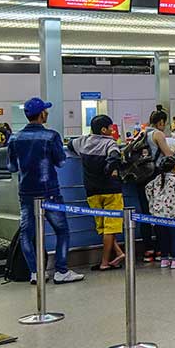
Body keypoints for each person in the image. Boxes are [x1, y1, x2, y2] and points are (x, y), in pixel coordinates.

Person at [7, 98, 84, 284]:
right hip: (50, 191)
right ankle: (61, 270)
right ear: (42, 114)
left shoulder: (14, 138)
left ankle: (36, 272)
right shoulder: (51, 136)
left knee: (27, 234)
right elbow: (61, 162)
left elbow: (11, 167)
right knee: (62, 231)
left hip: (26, 193)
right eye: (45, 111)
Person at [67, 114, 126, 271]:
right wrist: (112, 169)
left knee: (102, 227)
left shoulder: (83, 141)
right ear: (103, 129)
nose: (112, 131)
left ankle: (119, 253)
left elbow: (70, 144)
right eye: (111, 128)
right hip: (111, 191)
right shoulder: (110, 143)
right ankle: (105, 263)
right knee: (111, 227)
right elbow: (114, 156)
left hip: (92, 191)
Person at [139, 110, 175, 263]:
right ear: (161, 122)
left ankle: (148, 249)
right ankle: (162, 249)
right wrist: (174, 150)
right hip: (155, 178)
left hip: (141, 178)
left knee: (145, 213)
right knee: (159, 212)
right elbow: (168, 154)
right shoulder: (158, 134)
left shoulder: (142, 133)